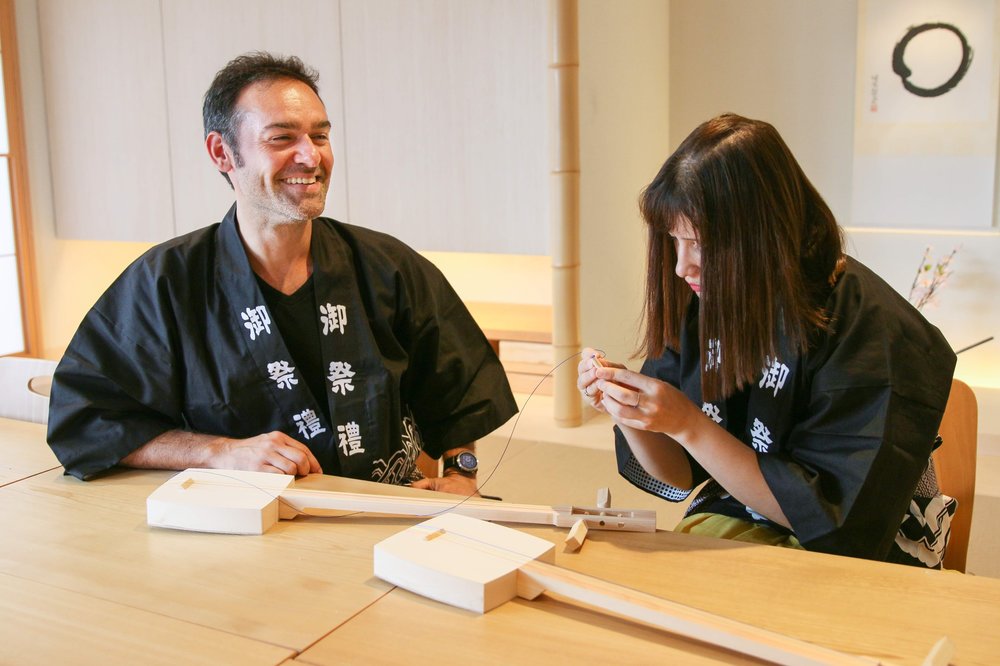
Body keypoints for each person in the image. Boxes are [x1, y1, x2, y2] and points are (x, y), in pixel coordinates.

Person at [47, 52, 516, 496]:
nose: (311, 157)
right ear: (222, 152)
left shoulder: (387, 266)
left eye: (320, 136)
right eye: (282, 138)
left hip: (383, 514)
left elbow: (458, 396)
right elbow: (87, 420)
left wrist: (461, 474)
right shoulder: (165, 283)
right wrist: (218, 452)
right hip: (241, 529)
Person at [577, 113, 957, 567]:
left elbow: (840, 520)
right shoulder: (706, 301)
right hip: (746, 509)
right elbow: (679, 472)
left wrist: (688, 425)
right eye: (675, 240)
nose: (681, 266)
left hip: (866, 544)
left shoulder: (870, 328)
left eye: (699, 243)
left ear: (762, 235)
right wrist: (629, 413)